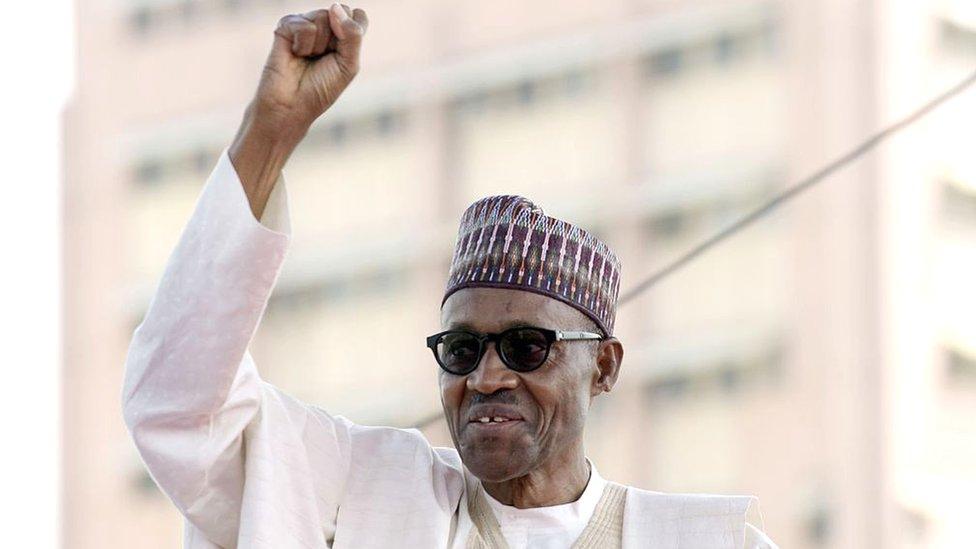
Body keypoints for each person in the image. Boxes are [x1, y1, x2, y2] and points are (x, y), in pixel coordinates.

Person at [121, 4, 778, 548]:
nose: (486, 377)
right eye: (462, 349)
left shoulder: (709, 541)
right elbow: (179, 405)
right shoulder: (358, 495)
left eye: (527, 345)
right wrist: (270, 130)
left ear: (603, 365)